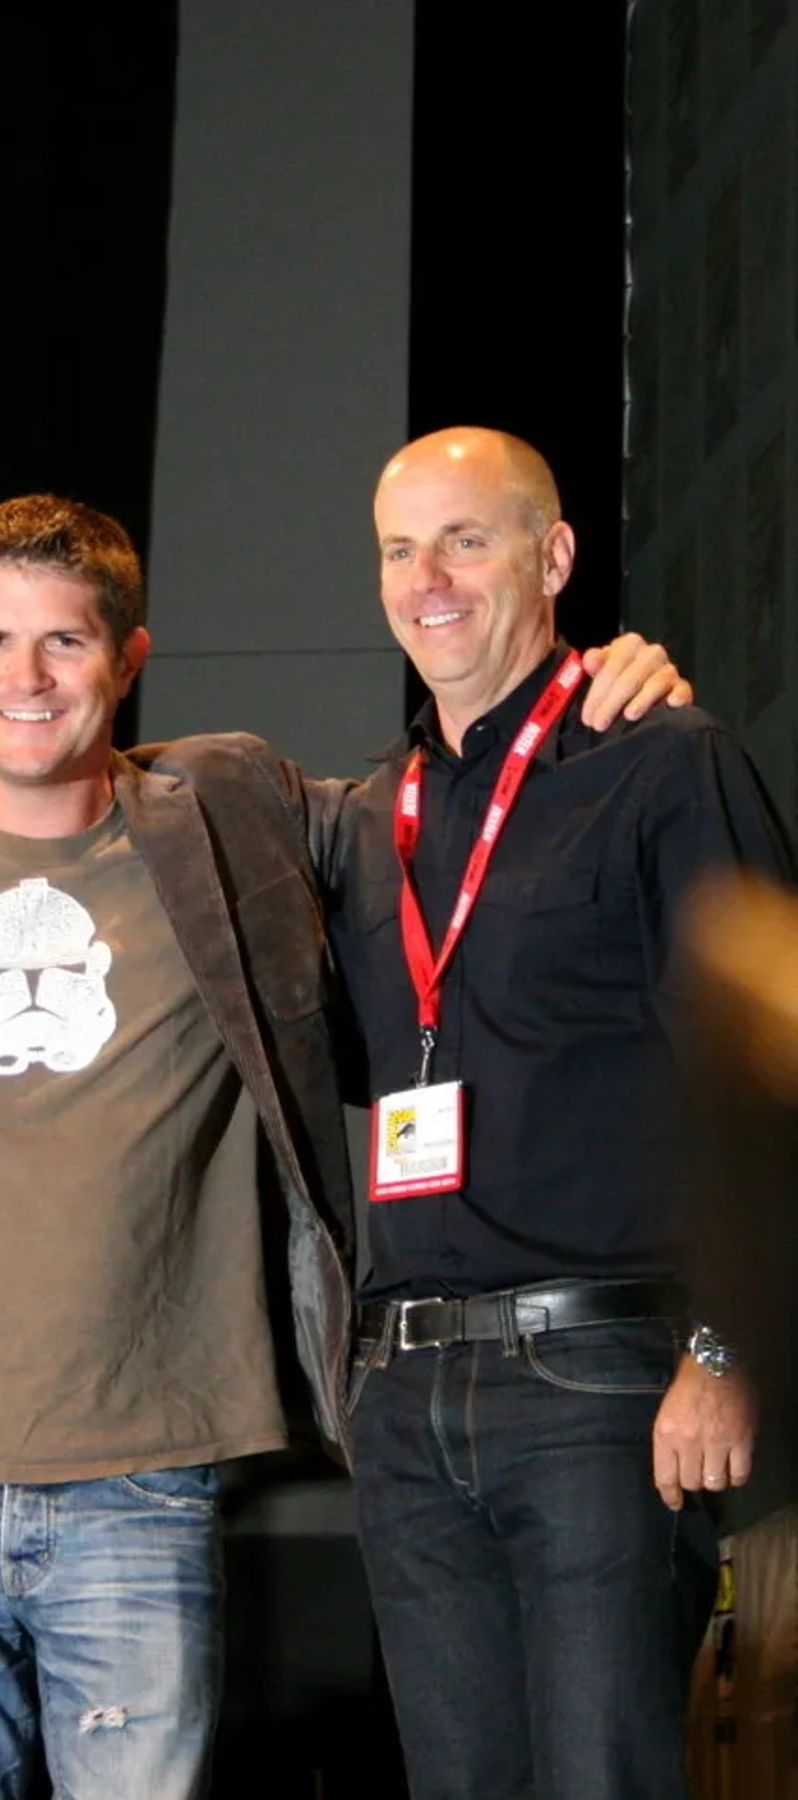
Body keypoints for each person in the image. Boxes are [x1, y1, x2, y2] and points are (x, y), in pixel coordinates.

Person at [0, 492, 690, 1800]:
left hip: (137, 1494)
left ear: (130, 656)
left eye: (64, 641)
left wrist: (595, 683)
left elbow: (460, 796)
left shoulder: (231, 818)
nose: (27, 677)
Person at [319, 427, 793, 1800]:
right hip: (404, 1396)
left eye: (468, 538)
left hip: (600, 1389)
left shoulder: (663, 760)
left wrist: (724, 1348)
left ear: (555, 555)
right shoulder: (368, 818)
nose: (430, 579)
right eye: (400, 549)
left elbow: (767, 1078)